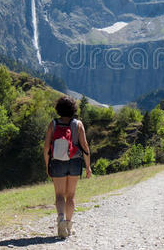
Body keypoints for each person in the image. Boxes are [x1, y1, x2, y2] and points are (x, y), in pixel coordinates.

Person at [43, 96, 92, 238]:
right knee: (71, 196)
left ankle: (60, 219)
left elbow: (46, 146)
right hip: (75, 162)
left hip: (57, 161)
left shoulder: (53, 123)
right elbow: (85, 146)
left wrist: (48, 165)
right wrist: (88, 167)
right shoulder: (78, 124)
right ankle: (69, 226)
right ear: (73, 109)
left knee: (59, 195)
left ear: (58, 109)